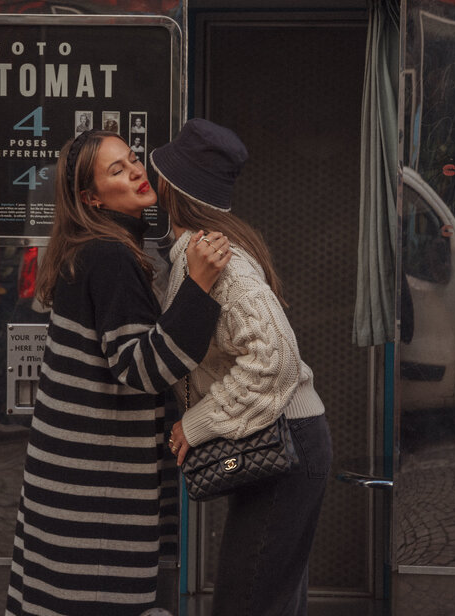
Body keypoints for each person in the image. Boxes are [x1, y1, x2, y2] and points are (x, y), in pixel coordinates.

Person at [5, 129, 231, 616]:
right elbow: (140, 368)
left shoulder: (92, 247)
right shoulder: (109, 255)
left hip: (69, 483)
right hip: (95, 491)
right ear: (90, 197)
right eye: (116, 169)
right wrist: (200, 285)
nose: (134, 171)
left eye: (131, 159)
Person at [150, 118, 332, 616]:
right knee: (265, 598)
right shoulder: (208, 246)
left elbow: (276, 360)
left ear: (172, 185)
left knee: (246, 601)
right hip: (287, 439)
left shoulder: (205, 255)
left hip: (285, 442)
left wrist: (197, 423)